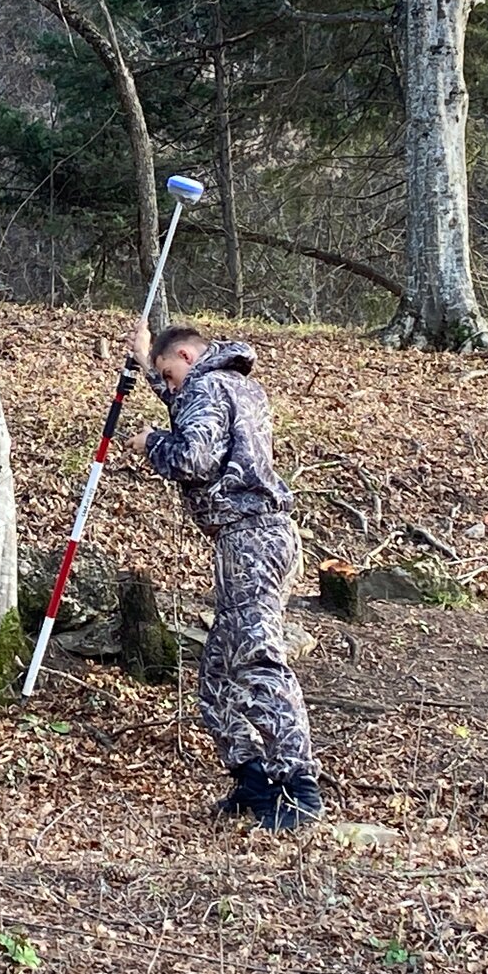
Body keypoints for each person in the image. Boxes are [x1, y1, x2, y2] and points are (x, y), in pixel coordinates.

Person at [126, 320, 322, 831]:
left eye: (170, 376)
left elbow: (194, 455)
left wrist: (152, 442)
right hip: (260, 537)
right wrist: (148, 365)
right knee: (217, 672)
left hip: (250, 539)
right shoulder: (235, 384)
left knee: (258, 659)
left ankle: (297, 785)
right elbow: (192, 412)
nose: (170, 388)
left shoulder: (206, 388)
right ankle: (252, 778)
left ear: (187, 359)